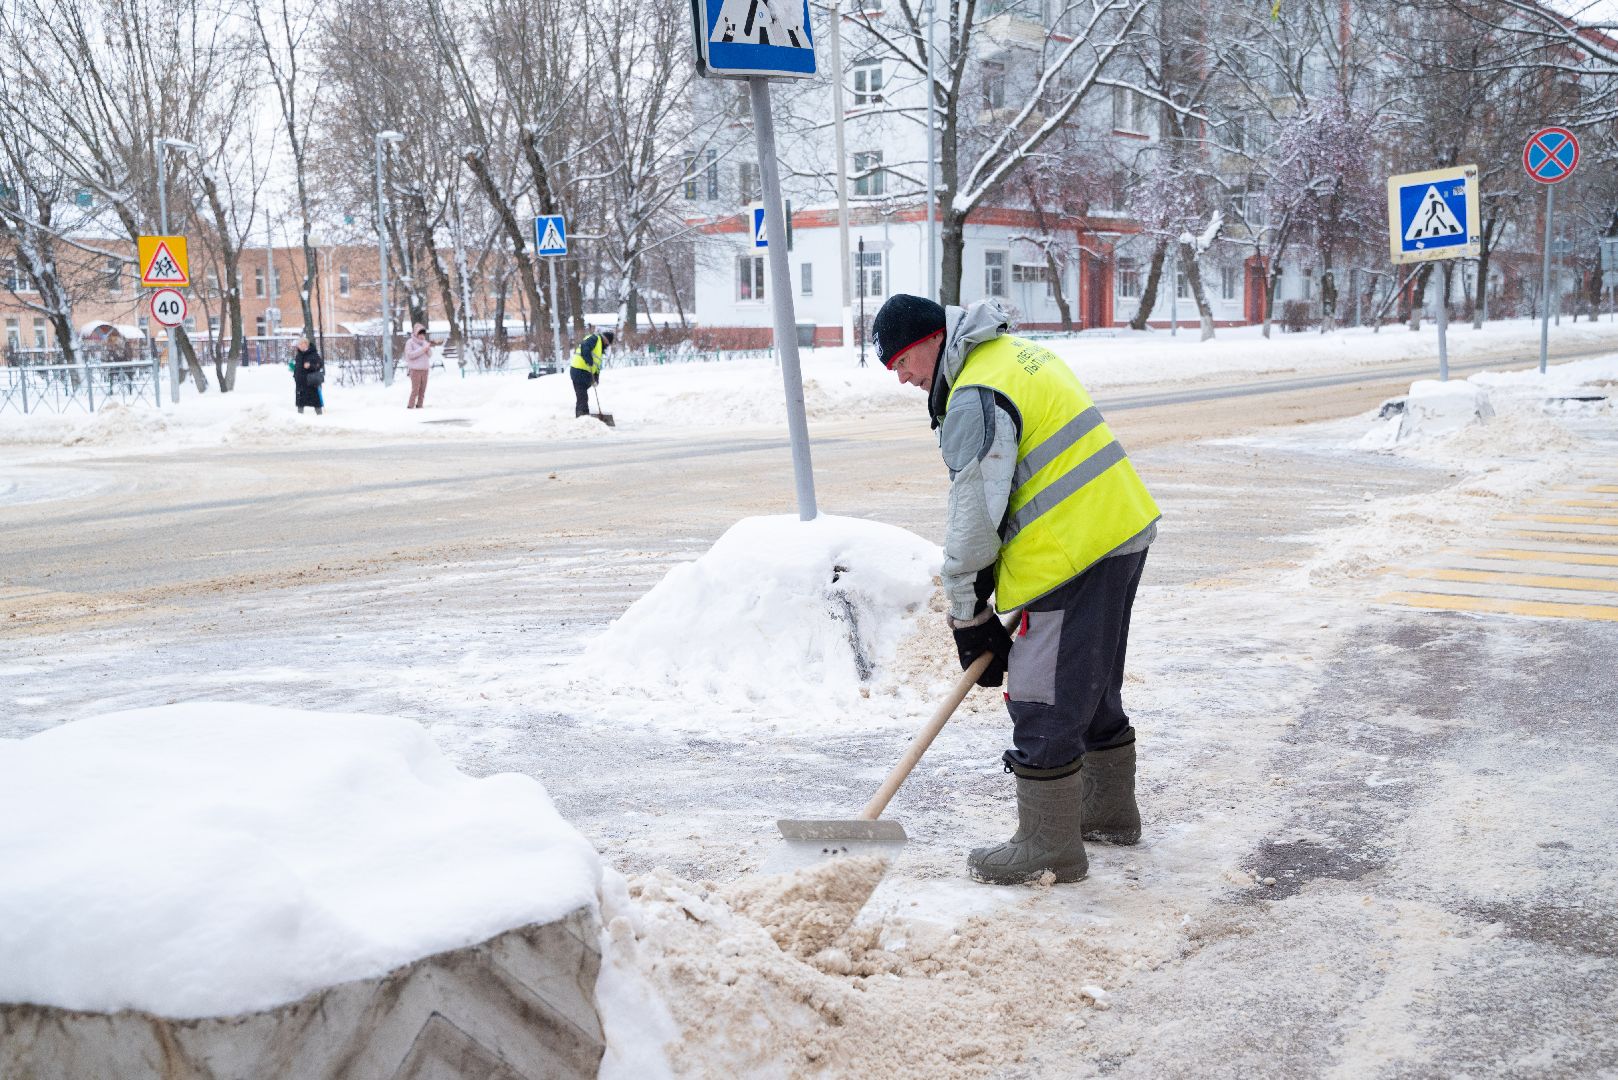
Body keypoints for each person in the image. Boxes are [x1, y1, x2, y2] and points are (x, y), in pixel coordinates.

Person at [874, 293, 1160, 886]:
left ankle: (1047, 845)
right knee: (1090, 678)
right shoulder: (1015, 354)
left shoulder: (976, 392)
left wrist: (967, 612)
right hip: (1117, 529)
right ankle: (1106, 812)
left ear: (932, 340)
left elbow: (974, 515)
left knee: (1042, 693)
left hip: (1071, 553)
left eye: (902, 361)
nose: (903, 378)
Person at [569, 329, 613, 418]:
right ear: (606, 339)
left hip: (585, 373)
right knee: (582, 397)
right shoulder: (595, 338)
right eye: (608, 343)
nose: (607, 345)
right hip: (579, 370)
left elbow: (596, 366)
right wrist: (588, 359)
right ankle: (582, 417)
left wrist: (596, 378)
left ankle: (583, 416)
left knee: (582, 396)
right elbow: (585, 347)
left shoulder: (600, 347)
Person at [292, 335, 324, 415]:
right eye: (299, 344)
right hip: (300, 382)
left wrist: (310, 366)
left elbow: (319, 364)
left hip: (310, 382)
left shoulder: (313, 354)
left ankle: (320, 417)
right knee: (300, 403)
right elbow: (297, 366)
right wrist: (295, 374)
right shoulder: (298, 355)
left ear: (306, 344)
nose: (300, 346)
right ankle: (300, 418)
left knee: (316, 401)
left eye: (301, 344)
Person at [404, 324, 432, 409]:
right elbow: (410, 355)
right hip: (415, 370)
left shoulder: (425, 343)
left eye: (423, 334)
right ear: (416, 334)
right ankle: (410, 406)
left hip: (425, 369)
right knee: (415, 390)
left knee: (422, 390)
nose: (422, 336)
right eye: (420, 334)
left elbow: (430, 355)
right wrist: (423, 349)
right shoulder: (410, 342)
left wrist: (427, 349)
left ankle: (420, 405)